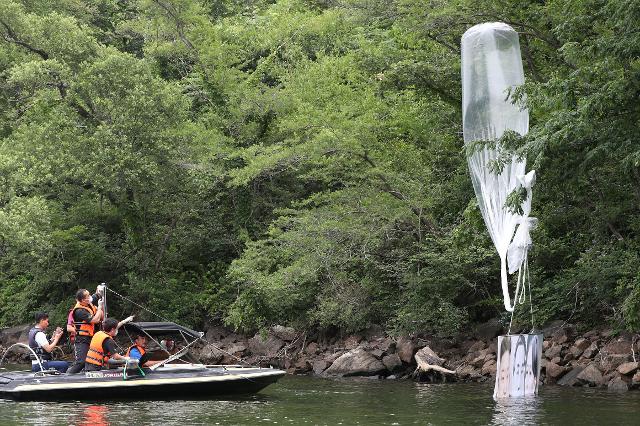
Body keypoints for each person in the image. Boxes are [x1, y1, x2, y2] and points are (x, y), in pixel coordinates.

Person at [66, 287, 104, 374]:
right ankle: (68, 376)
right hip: (82, 339)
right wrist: (99, 307)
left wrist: (99, 291)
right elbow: (95, 320)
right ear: (83, 300)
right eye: (88, 296)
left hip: (92, 337)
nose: (90, 297)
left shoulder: (88, 303)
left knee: (95, 359)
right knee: (81, 362)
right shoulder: (79, 311)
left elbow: (95, 295)